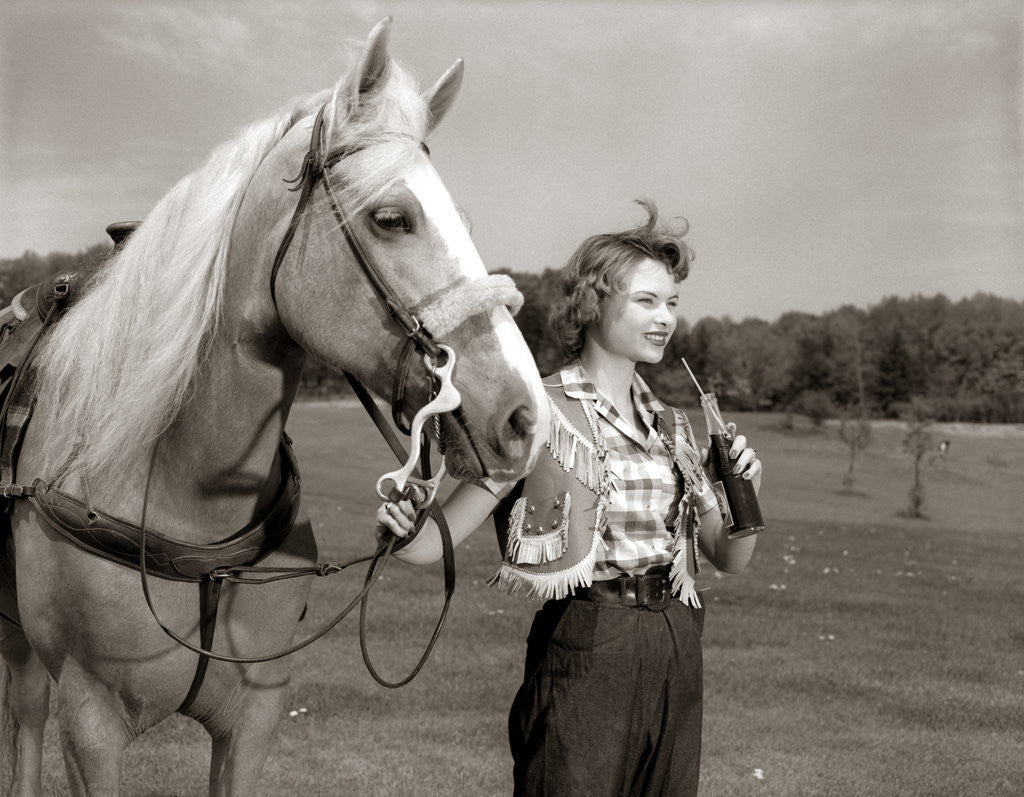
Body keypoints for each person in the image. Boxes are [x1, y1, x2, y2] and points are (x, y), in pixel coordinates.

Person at [375, 200, 762, 796]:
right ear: (593, 303)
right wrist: (405, 528)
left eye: (672, 303)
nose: (665, 319)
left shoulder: (675, 428)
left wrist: (746, 499)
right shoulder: (538, 413)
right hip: (588, 642)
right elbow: (436, 540)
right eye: (646, 301)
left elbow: (729, 558)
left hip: (678, 643)